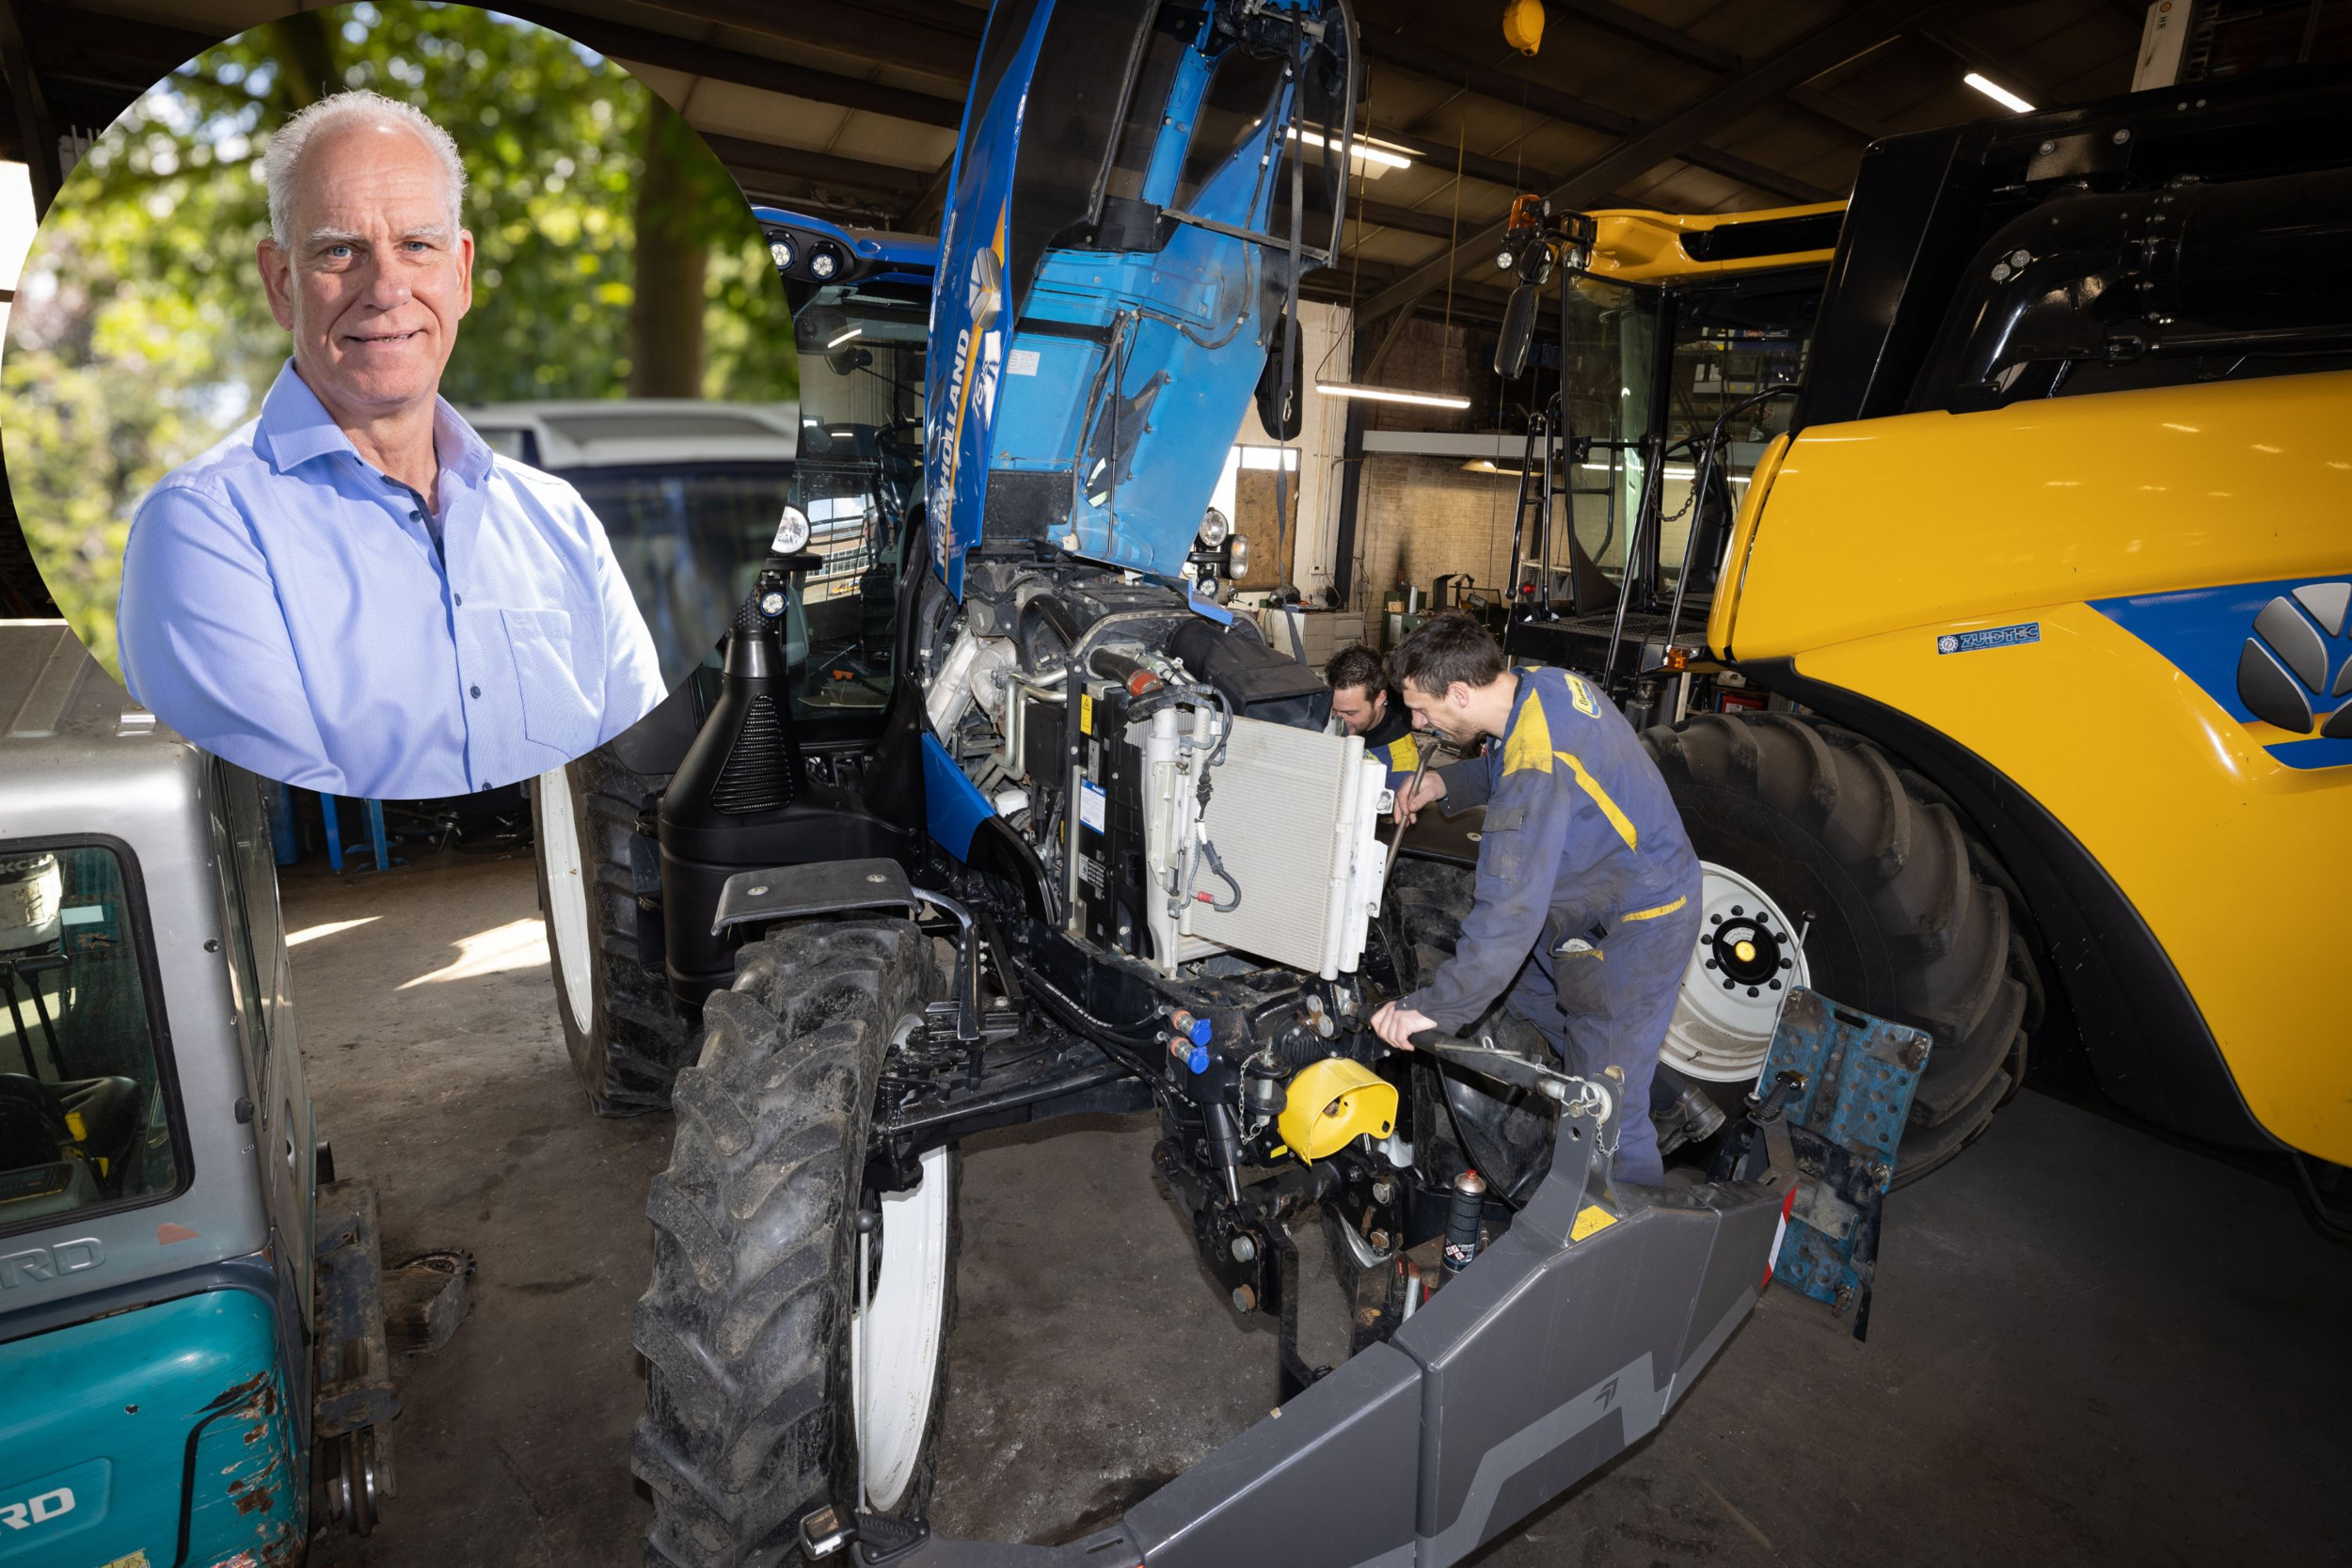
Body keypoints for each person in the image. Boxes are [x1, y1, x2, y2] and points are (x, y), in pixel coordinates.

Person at [117, 89, 662, 799]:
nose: (387, 287)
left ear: (460, 271)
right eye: (340, 250)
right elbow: (272, 818)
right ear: (282, 283)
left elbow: (647, 764)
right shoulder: (204, 527)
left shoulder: (558, 519)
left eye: (417, 245)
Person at [1368, 614, 1701, 1184]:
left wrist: (1434, 1007)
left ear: (1462, 692)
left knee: (1604, 1106)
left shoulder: (1535, 768)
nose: (1419, 724)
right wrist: (1445, 783)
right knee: (1520, 987)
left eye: (1423, 710)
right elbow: (1507, 756)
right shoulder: (1538, 685)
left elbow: (1508, 914)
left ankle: (1625, 1240)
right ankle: (1665, 1091)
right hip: (1604, 891)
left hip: (1643, 920)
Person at [1325, 642, 1419, 786]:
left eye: (1350, 713)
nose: (1340, 721)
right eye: (1334, 710)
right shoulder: (1320, 719)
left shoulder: (1403, 758)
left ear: (1380, 698)